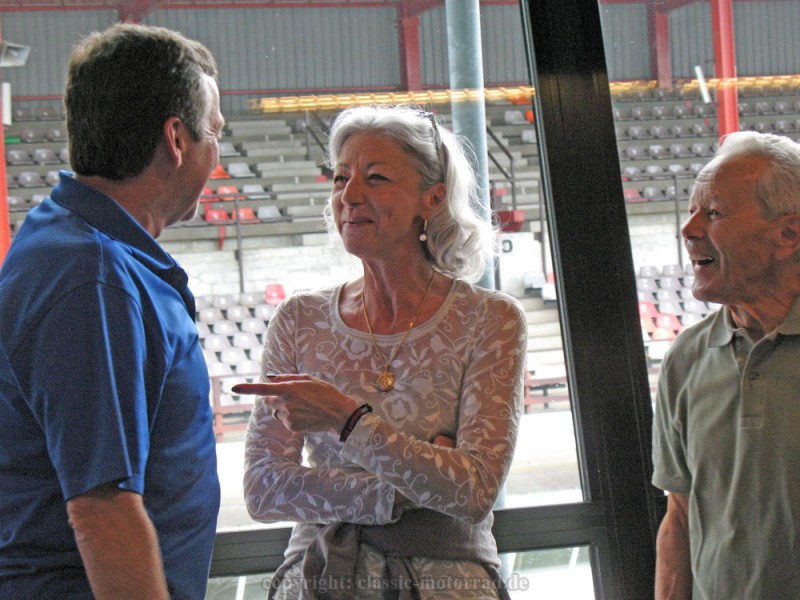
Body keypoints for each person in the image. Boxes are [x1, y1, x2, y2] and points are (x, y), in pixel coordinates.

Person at [234, 105, 528, 599]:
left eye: (375, 178)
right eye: (340, 178)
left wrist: (348, 421)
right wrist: (403, 490)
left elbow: (474, 491)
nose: (349, 195)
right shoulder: (299, 320)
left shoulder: (490, 320)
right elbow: (263, 489)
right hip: (318, 580)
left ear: (431, 199)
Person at [0, 23, 223, 599]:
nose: (216, 155)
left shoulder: (84, 249)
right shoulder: (92, 278)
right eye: (214, 134)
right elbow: (102, 511)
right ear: (176, 139)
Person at [652, 131, 800, 599]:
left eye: (713, 213)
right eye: (694, 210)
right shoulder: (688, 356)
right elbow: (679, 518)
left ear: (788, 234)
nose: (689, 228)